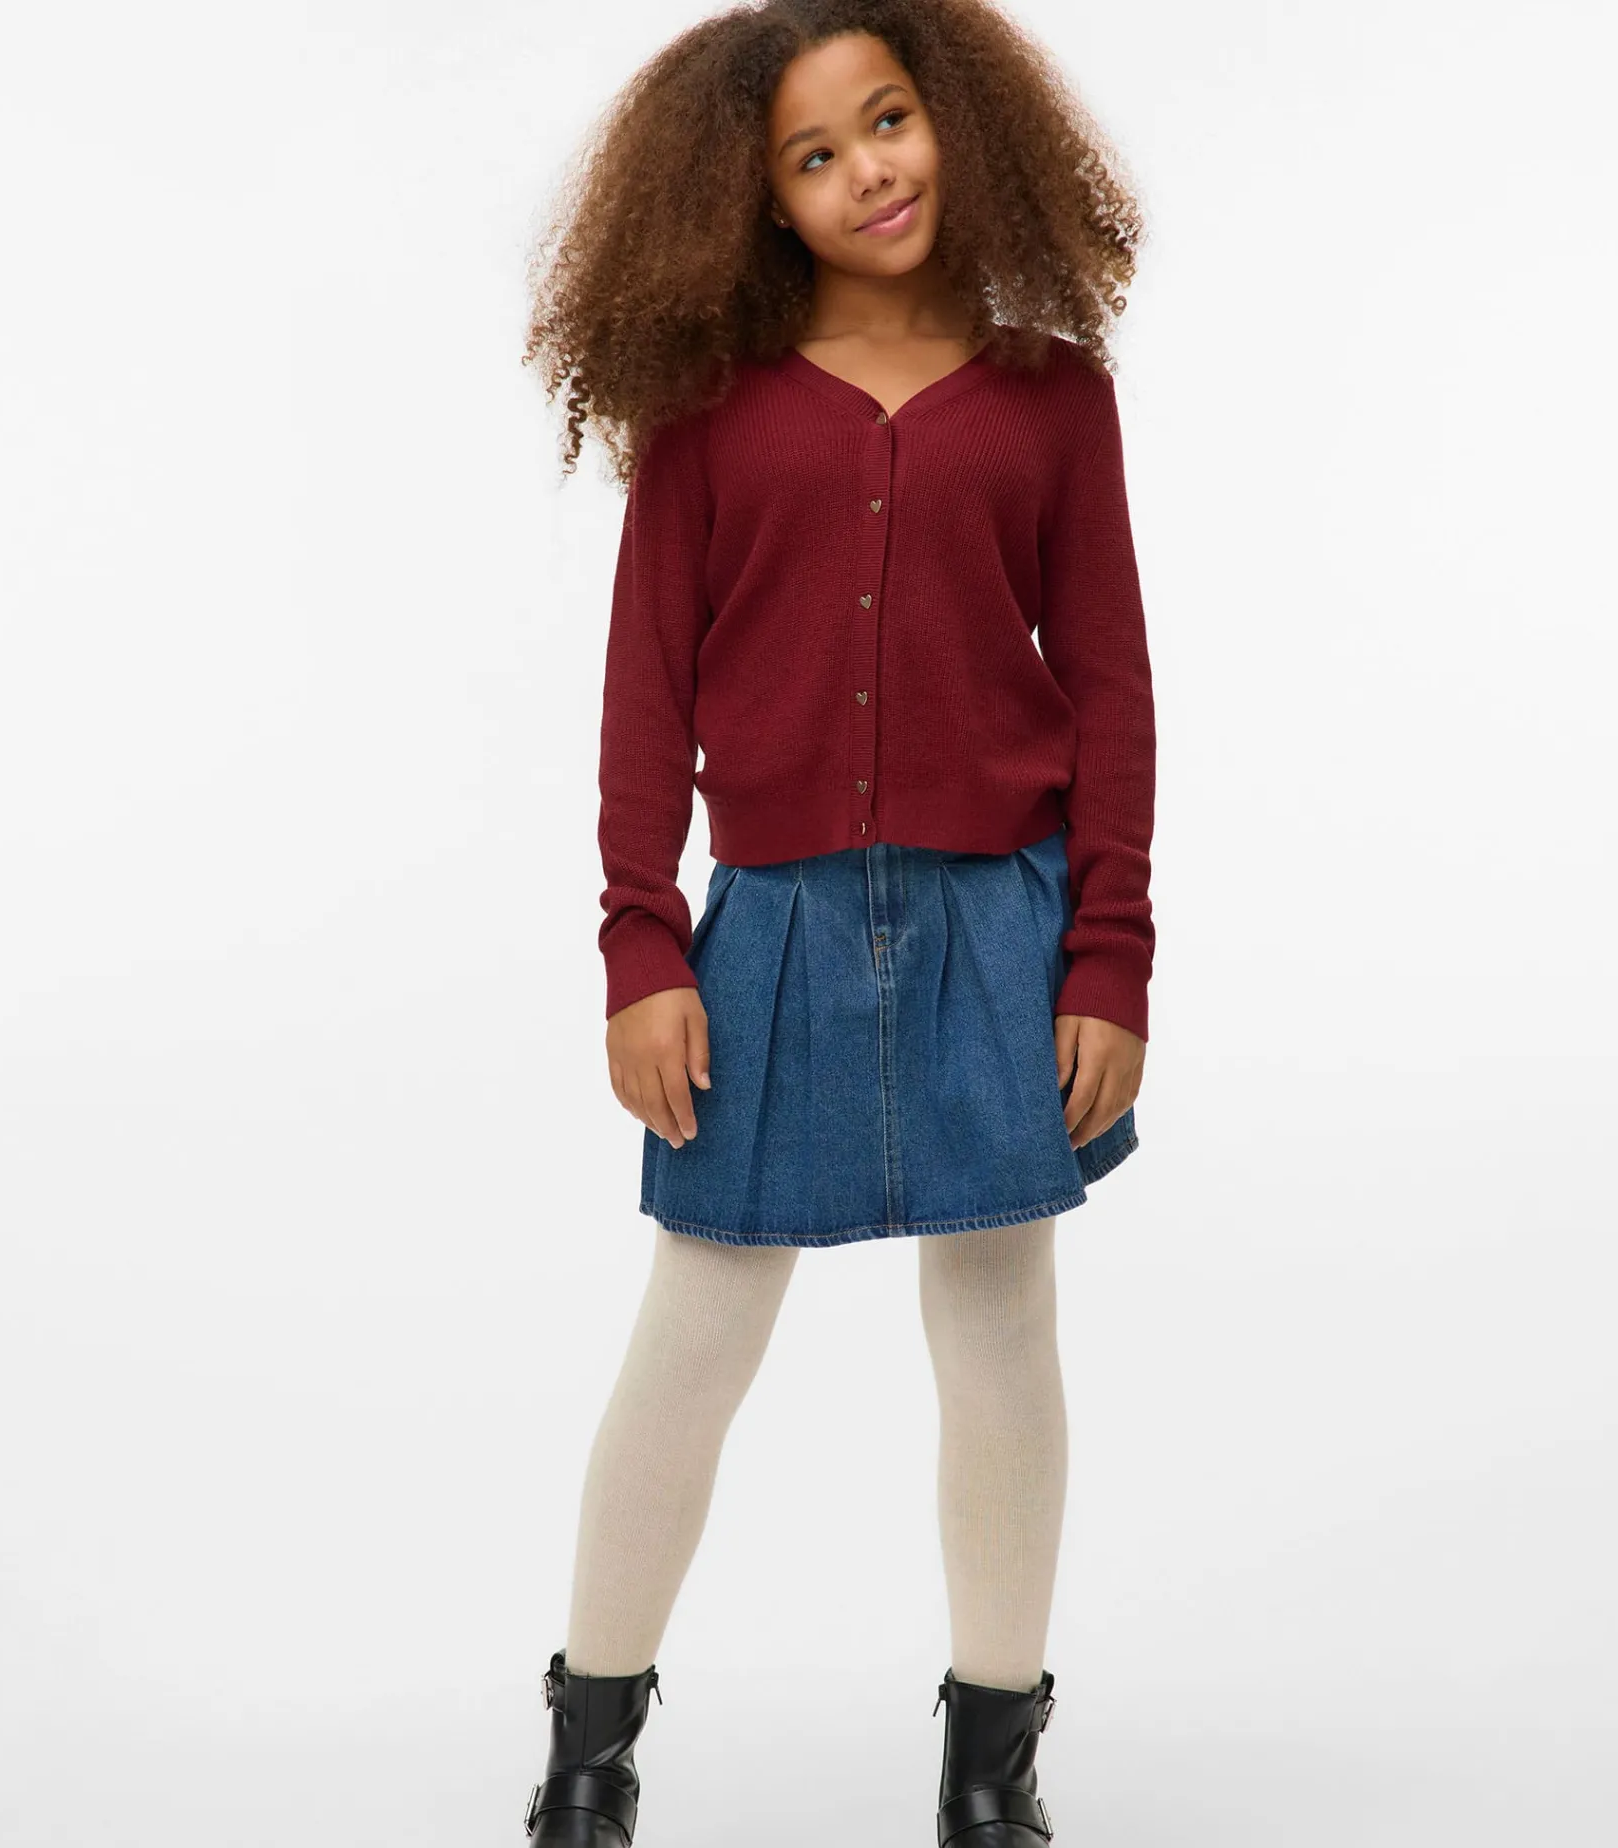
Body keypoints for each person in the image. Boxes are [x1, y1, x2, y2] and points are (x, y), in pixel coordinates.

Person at [519, 2, 1156, 1839]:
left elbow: (1111, 689)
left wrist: (1108, 953)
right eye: (813, 154)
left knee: (1002, 1334)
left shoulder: (1053, 394)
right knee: (695, 1334)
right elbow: (645, 694)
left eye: (887, 119)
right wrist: (642, 943)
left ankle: (992, 1769)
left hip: (999, 929)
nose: (868, 169)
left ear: (956, 116)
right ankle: (586, 1760)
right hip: (773, 933)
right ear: (755, 200)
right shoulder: (707, 416)